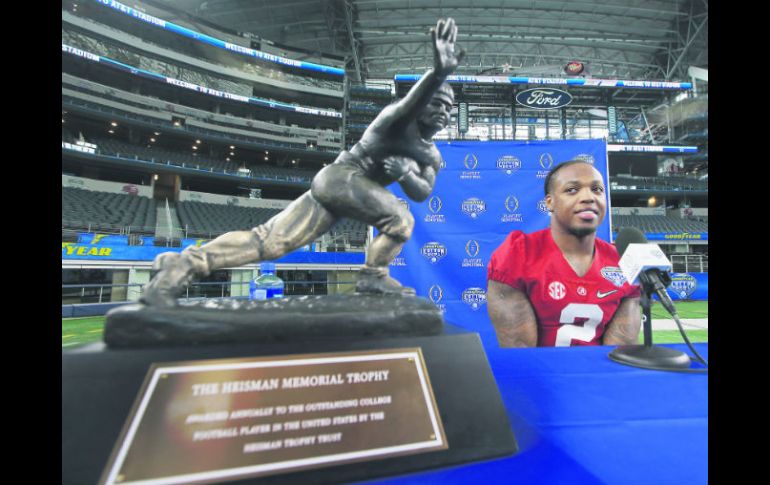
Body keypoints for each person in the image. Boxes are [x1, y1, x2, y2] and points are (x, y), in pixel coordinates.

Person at [141, 18, 465, 307]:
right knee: (401, 220)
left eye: (449, 108)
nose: (443, 111)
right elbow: (412, 100)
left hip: (342, 192)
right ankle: (373, 274)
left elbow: (423, 191)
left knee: (268, 242)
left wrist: (406, 173)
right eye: (436, 102)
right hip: (342, 177)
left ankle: (181, 265)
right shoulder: (396, 120)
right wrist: (438, 74)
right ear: (422, 104)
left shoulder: (431, 154)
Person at [487, 160, 641, 347]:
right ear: (550, 202)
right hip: (540, 374)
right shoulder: (519, 254)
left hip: (599, 374)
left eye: (597, 189)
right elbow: (521, 354)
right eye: (572, 190)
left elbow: (618, 352)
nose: (589, 197)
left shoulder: (622, 261)